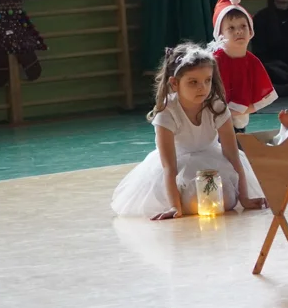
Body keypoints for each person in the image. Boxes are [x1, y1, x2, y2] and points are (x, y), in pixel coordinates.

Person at [111, 43, 266, 220]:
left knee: (227, 201)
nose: (202, 87)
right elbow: (169, 166)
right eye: (193, 82)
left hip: (213, 161)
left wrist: (244, 197)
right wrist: (174, 206)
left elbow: (232, 155)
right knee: (192, 204)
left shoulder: (217, 107)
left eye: (207, 80)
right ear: (175, 83)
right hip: (178, 165)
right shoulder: (167, 113)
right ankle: (177, 200)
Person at [211, 0, 276, 132]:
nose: (239, 31)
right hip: (212, 123)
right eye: (231, 28)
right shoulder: (213, 62)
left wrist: (240, 111)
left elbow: (259, 98)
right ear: (220, 34)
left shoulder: (252, 62)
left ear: (251, 30)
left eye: (243, 26)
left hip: (239, 122)